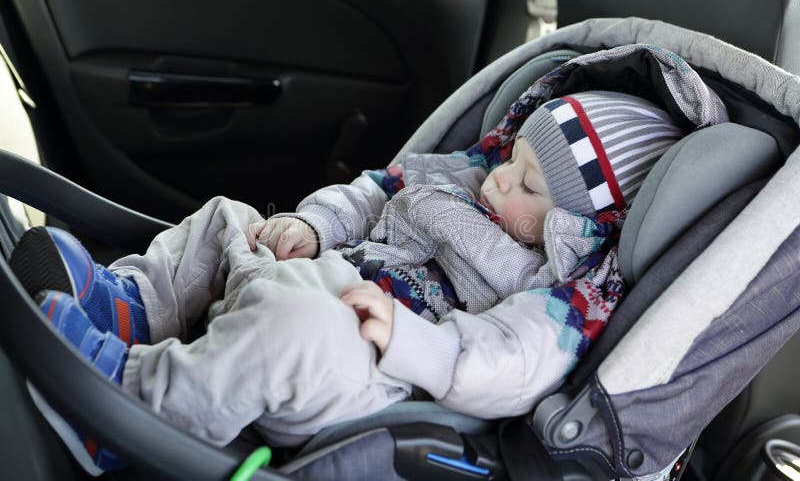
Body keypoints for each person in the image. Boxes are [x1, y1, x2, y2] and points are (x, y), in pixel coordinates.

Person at [10, 90, 686, 470]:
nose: (502, 177)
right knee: (229, 220)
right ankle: (133, 308)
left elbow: (515, 364)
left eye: (530, 185)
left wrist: (414, 342)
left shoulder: (558, 296)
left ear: (577, 226)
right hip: (322, 272)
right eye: (514, 158)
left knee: (294, 328)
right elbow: (371, 194)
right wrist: (314, 227)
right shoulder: (464, 180)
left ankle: (126, 411)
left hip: (369, 367)